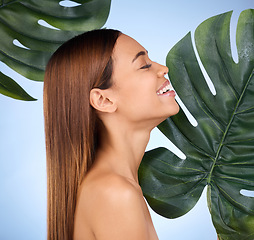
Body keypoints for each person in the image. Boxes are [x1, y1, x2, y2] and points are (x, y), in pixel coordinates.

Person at [43, 29, 179, 240]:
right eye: (144, 66)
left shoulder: (114, 187)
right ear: (103, 100)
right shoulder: (115, 193)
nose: (164, 69)